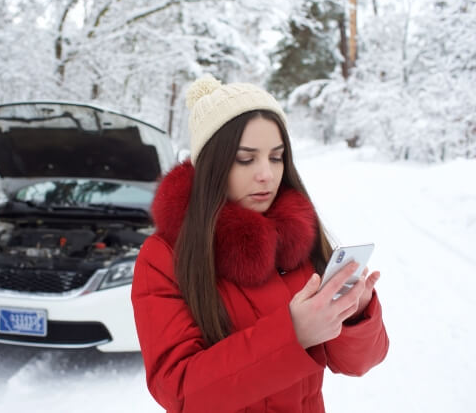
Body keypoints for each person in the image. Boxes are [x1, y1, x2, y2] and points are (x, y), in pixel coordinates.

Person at [131, 74, 389, 413]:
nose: (266, 174)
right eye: (245, 158)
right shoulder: (164, 257)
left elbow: (357, 363)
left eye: (276, 156)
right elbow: (178, 391)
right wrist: (292, 334)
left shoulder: (296, 237)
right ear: (210, 164)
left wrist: (353, 314)